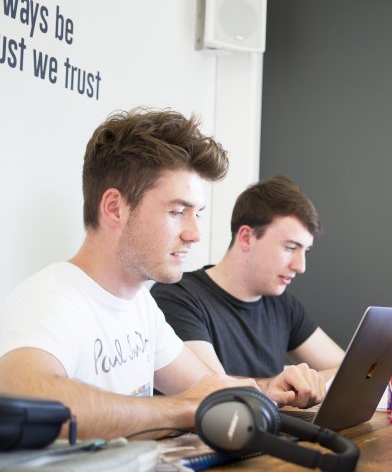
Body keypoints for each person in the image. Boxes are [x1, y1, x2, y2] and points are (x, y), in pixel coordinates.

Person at [0, 108, 326, 440]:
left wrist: (267, 388)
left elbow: (205, 388)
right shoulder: (50, 298)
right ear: (114, 208)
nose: (194, 233)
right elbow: (23, 399)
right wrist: (180, 410)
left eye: (196, 213)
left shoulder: (141, 306)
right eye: (177, 211)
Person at [150, 176, 345, 381]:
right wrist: (281, 386)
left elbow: (350, 372)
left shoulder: (284, 306)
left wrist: (304, 384)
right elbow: (210, 390)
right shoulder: (176, 297)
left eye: (306, 251)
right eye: (290, 248)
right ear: (246, 238)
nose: (300, 266)